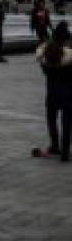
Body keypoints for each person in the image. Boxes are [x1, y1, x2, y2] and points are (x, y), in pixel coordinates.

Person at [36, 21, 72, 161]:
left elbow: (42, 62)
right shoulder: (69, 56)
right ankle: (65, 150)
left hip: (52, 91)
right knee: (67, 121)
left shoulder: (47, 55)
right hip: (68, 92)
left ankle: (55, 145)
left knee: (51, 118)